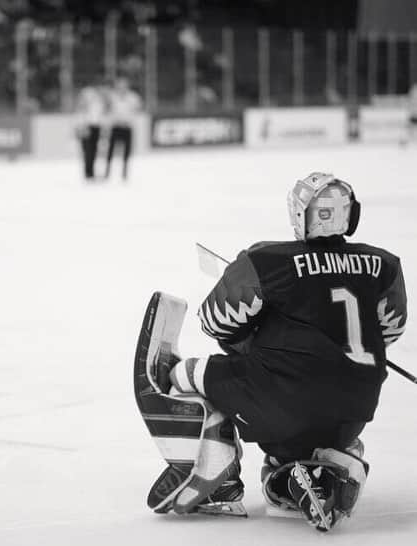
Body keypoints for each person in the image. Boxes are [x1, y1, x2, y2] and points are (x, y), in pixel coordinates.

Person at [134, 173, 407, 531]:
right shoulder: (384, 265)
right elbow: (391, 330)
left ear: (300, 214)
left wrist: (262, 334)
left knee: (177, 376)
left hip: (282, 402)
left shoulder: (266, 260)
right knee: (289, 455)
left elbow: (215, 323)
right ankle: (326, 470)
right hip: (354, 410)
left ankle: (218, 473)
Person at [104, 77, 141, 181]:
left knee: (127, 151)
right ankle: (107, 172)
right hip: (115, 126)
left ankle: (124, 173)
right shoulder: (112, 97)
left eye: (124, 85)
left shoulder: (133, 97)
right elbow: (106, 110)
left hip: (127, 127)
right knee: (110, 150)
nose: (122, 87)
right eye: (119, 85)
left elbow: (137, 110)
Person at [74, 83, 105, 181]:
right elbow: (79, 118)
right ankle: (88, 173)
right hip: (86, 127)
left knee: (93, 151)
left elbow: (99, 117)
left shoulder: (97, 104)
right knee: (88, 151)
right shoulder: (82, 106)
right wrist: (81, 128)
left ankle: (91, 172)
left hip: (95, 127)